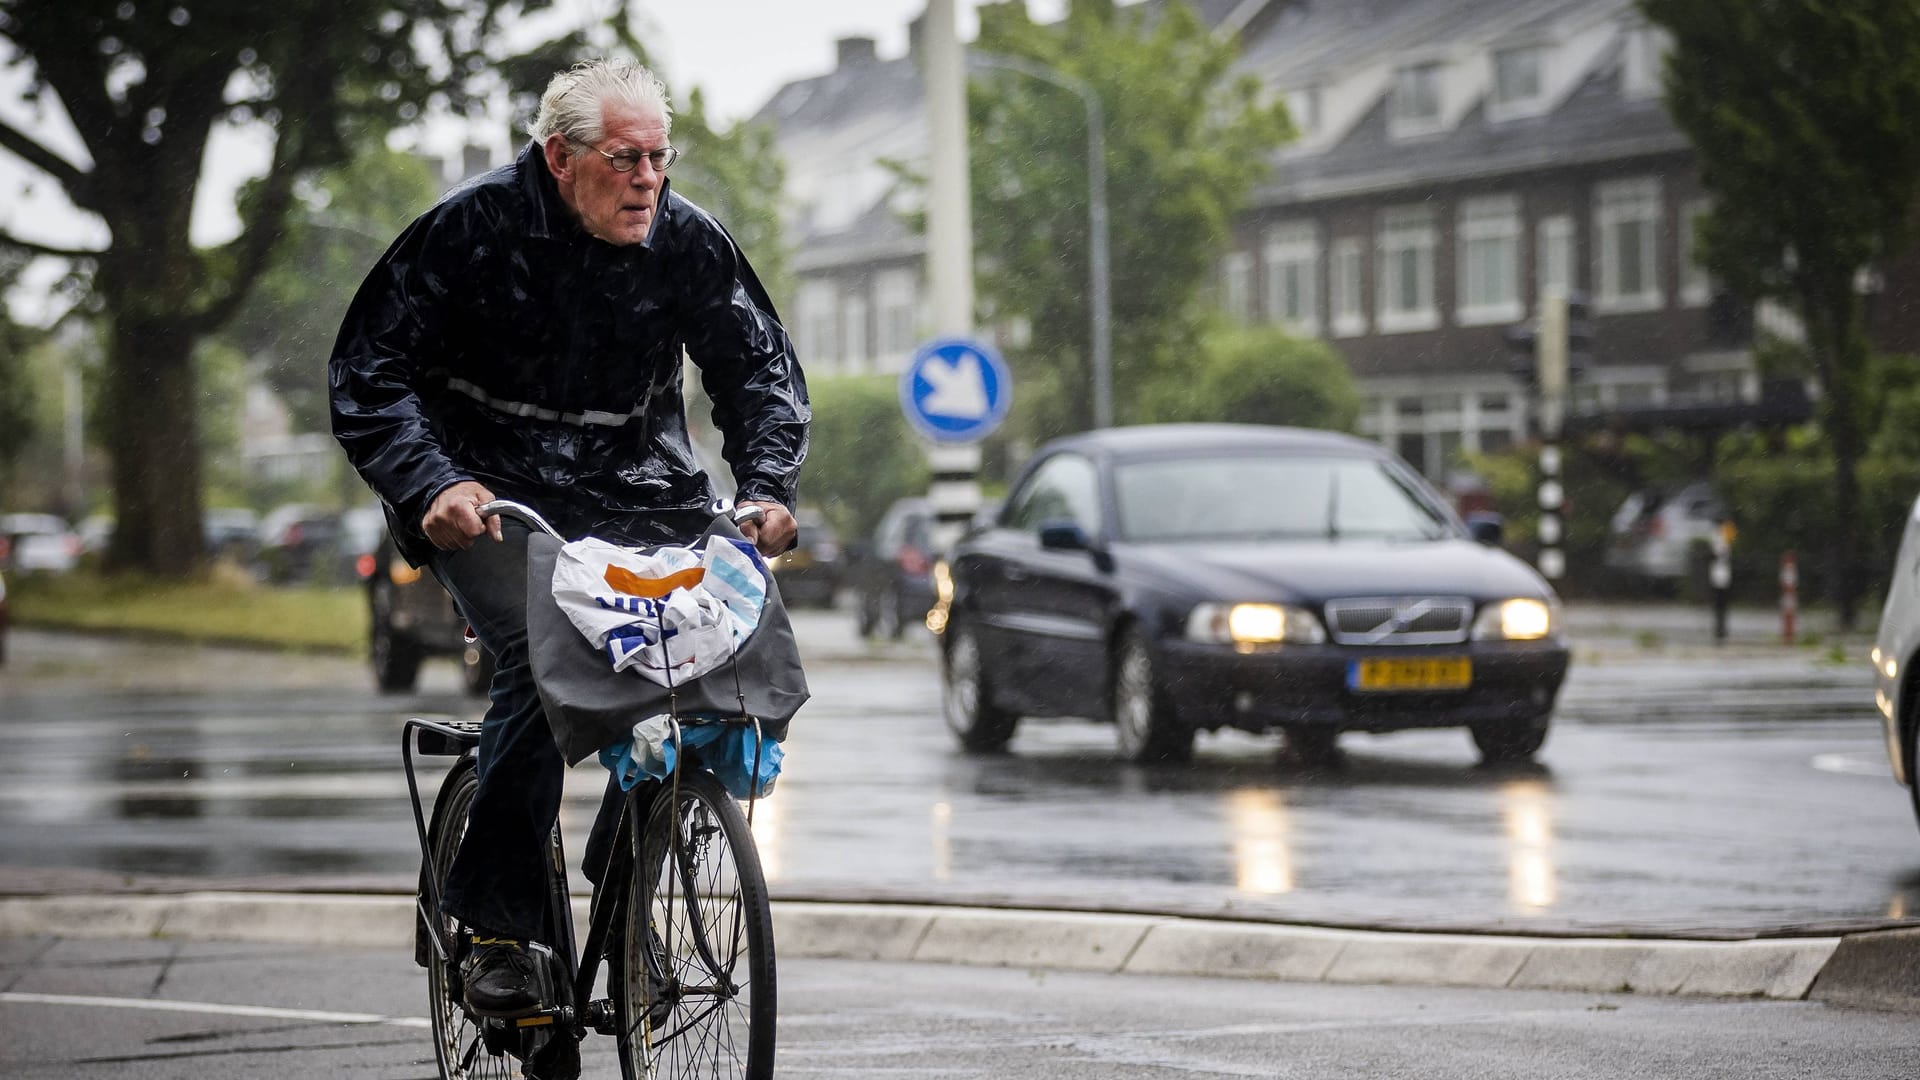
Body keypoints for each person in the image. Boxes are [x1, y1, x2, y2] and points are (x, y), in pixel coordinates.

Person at [329, 59, 808, 1020]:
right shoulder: (471, 230)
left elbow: (758, 370)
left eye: (659, 159)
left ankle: (631, 875)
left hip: (637, 488)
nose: (647, 180)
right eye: (624, 159)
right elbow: (370, 372)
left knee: (726, 647)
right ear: (560, 157)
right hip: (484, 494)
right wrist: (432, 483)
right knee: (538, 652)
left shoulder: (684, 241)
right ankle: (498, 924)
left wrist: (763, 488)